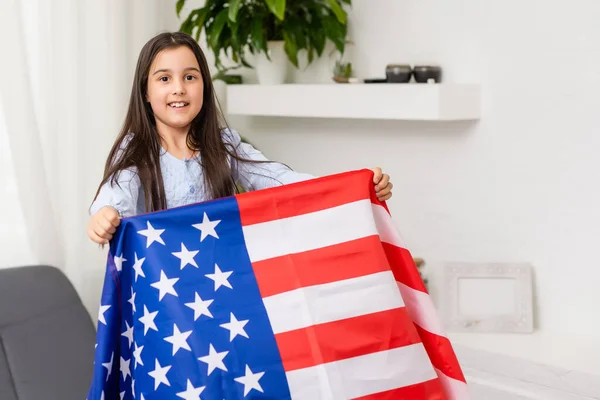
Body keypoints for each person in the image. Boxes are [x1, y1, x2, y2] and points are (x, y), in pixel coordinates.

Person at [87, 32, 393, 245]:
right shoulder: (135, 149)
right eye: (164, 79)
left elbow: (278, 178)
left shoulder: (224, 145)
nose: (179, 88)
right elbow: (116, 197)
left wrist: (352, 186)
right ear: (146, 91)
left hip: (218, 280)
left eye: (190, 77)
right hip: (161, 290)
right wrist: (105, 215)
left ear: (204, 86)